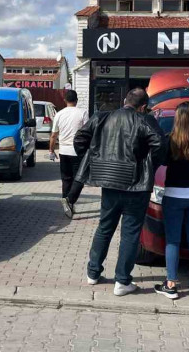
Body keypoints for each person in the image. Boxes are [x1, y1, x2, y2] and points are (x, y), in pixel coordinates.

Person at [74, 88, 165, 296]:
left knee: (104, 227)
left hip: (109, 181)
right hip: (136, 185)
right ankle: (122, 281)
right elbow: (160, 144)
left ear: (125, 100)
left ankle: (93, 273)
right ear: (143, 107)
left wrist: (95, 160)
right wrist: (148, 166)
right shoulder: (145, 120)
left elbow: (79, 140)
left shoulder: (102, 117)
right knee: (130, 233)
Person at [154, 101, 189, 300]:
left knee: (173, 240)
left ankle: (171, 284)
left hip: (175, 195)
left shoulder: (172, 140)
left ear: (178, 119)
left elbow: (161, 161)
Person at [49, 90, 90, 219]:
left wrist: (51, 150)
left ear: (65, 100)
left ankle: (68, 204)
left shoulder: (59, 114)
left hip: (63, 151)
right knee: (79, 178)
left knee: (66, 179)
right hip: (78, 151)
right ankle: (70, 201)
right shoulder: (83, 112)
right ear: (76, 100)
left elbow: (54, 135)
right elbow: (87, 132)